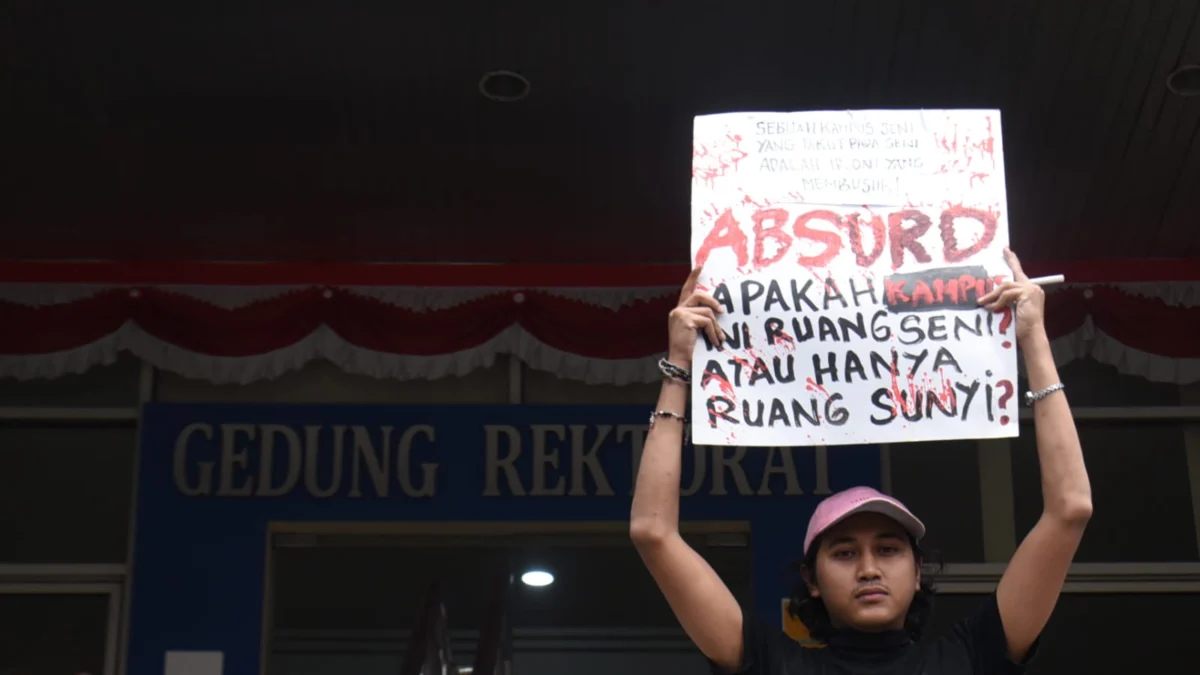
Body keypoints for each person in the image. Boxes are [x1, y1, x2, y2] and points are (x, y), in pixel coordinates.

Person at [630, 248, 1092, 674]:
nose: (868, 568)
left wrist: (1033, 338)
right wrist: (678, 366)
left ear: (917, 573)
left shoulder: (973, 654)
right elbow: (653, 533)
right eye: (845, 552)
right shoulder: (770, 662)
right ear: (811, 579)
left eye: (888, 549)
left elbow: (1071, 508)